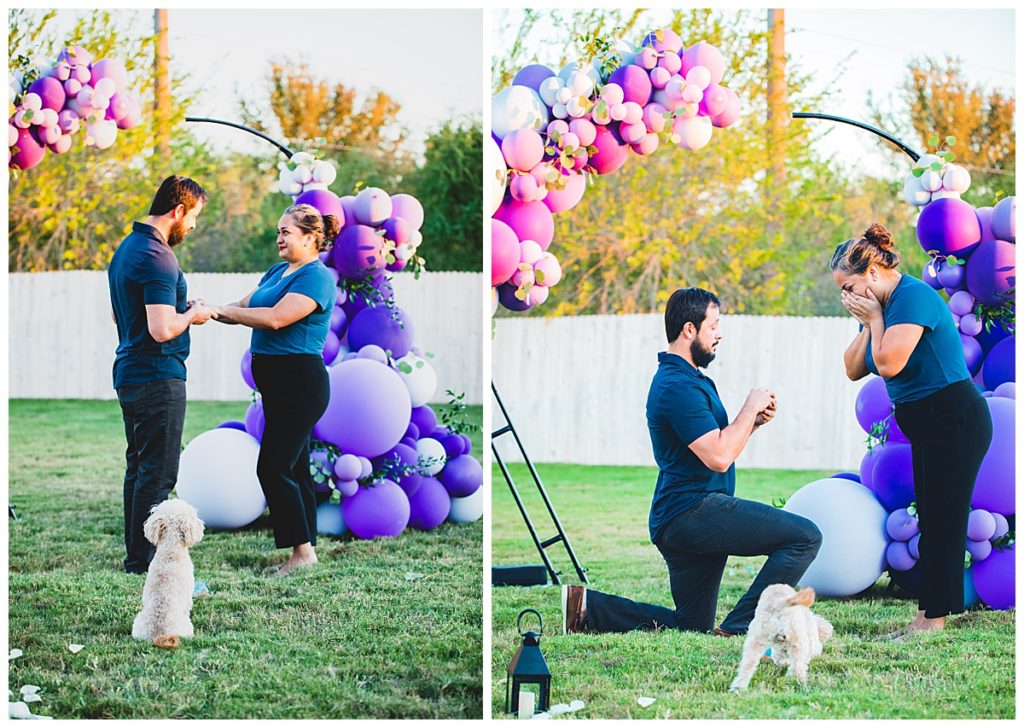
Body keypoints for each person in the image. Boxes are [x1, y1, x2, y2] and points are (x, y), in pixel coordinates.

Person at [563, 287, 822, 636]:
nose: (719, 333)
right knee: (804, 537)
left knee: (691, 625)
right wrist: (748, 407)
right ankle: (741, 625)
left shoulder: (689, 381)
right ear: (689, 329)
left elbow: (719, 446)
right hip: (692, 512)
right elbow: (718, 456)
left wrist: (752, 424)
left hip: (686, 514)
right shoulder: (676, 387)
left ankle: (588, 610)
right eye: (713, 325)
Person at [831, 223, 992, 638]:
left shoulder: (912, 297)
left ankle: (931, 621)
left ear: (871, 273)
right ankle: (933, 614)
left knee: (942, 519)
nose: (845, 297)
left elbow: (888, 364)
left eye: (848, 286)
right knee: (934, 517)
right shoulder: (879, 310)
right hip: (929, 424)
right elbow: (852, 369)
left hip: (953, 418)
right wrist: (869, 322)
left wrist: (876, 319)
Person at [210, 204, 339, 576]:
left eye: (286, 232)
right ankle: (306, 548)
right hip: (278, 385)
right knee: (296, 468)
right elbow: (246, 304)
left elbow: (275, 319)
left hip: (301, 384)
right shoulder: (279, 271)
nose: (279, 238)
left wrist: (224, 311)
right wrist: (208, 310)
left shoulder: (316, 278)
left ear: (310, 238)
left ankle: (301, 553)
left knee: (273, 466)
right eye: (278, 231)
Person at [108, 175, 210, 574]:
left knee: (139, 468)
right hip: (157, 375)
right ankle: (146, 562)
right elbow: (162, 328)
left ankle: (136, 558)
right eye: (195, 217)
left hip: (130, 372)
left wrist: (180, 309)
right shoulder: (159, 256)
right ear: (178, 210)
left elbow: (119, 313)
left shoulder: (127, 249)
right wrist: (194, 314)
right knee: (159, 472)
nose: (194, 226)